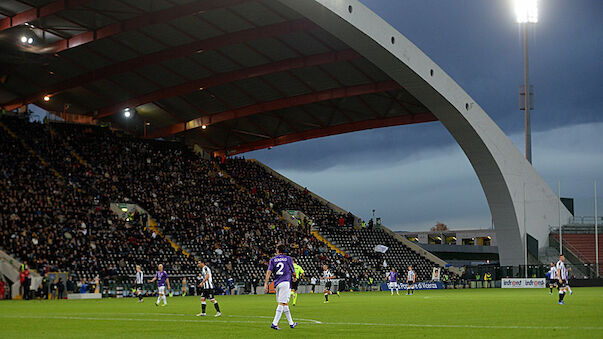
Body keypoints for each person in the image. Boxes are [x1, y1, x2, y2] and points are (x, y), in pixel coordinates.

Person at [264, 244, 297, 330]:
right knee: (281, 303)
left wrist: (266, 283)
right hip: (285, 282)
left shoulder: (273, 260)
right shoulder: (288, 258)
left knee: (285, 303)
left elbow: (269, 272)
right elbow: (293, 271)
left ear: (278, 251)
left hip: (277, 283)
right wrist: (295, 277)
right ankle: (274, 323)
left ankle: (291, 323)